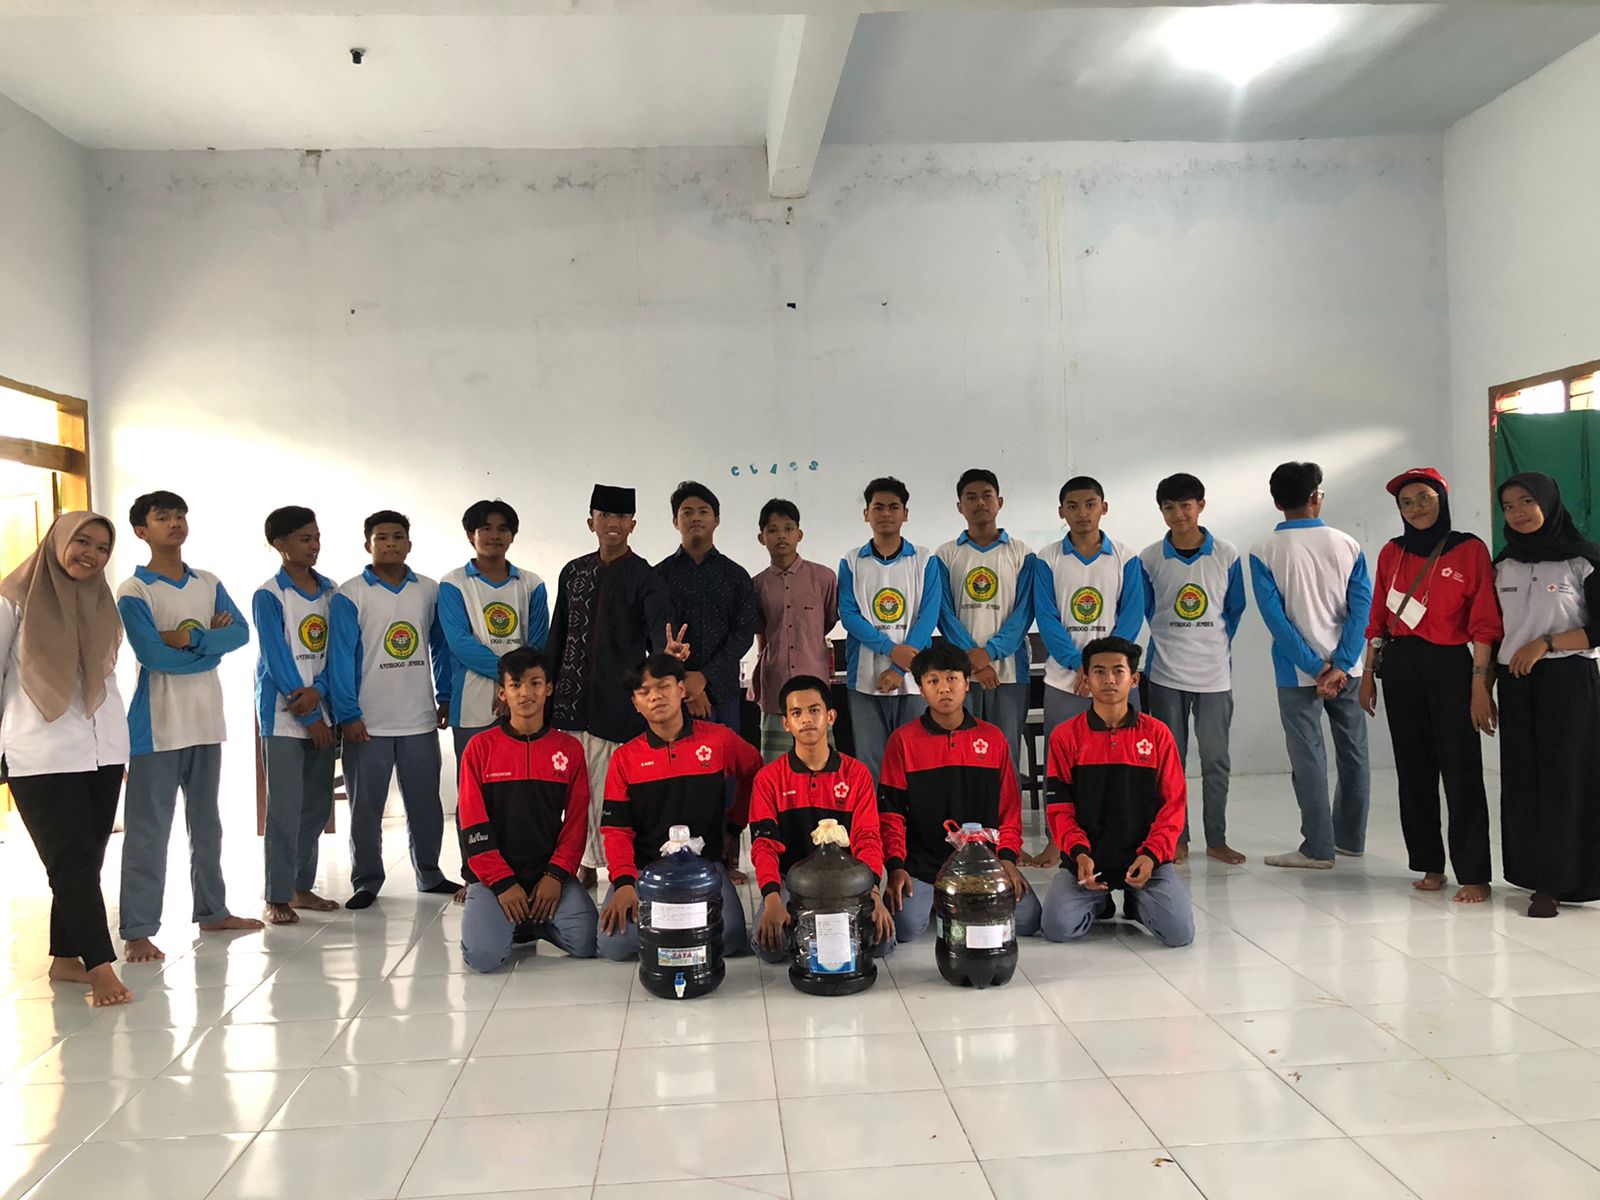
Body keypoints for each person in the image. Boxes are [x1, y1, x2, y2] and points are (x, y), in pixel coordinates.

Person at [115, 490, 260, 961]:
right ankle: (138, 929)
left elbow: (239, 633)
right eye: (163, 518)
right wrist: (208, 645)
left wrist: (189, 639)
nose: (175, 523)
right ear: (142, 530)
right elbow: (151, 655)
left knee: (208, 825)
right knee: (148, 832)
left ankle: (213, 911)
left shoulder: (208, 581)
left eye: (180, 516)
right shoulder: (134, 591)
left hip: (205, 721)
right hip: (155, 728)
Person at [0, 513, 133, 1006]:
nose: (91, 555)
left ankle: (65, 957)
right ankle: (101, 968)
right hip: (40, 749)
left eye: (102, 548)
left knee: (87, 860)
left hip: (103, 747)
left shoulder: (99, 600)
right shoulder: (12, 600)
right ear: (57, 541)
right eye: (82, 541)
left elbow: (105, 676)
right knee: (70, 862)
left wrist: (118, 747)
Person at [1359, 468, 1500, 903]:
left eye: (1424, 497)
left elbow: (1484, 622)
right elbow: (1378, 618)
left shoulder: (1468, 549)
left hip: (1450, 666)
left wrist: (1480, 684)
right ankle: (1429, 864)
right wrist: (1367, 675)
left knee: (1461, 770)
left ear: (1441, 498)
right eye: (1407, 502)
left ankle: (1474, 873)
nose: (1416, 508)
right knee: (1413, 769)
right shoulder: (1392, 551)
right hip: (1401, 664)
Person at [329, 510, 461, 911]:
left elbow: (441, 647)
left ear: (409, 544)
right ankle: (367, 880)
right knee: (365, 808)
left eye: (397, 536)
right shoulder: (350, 594)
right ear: (367, 544)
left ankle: (430, 873)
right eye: (382, 537)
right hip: (368, 721)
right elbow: (340, 658)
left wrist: (445, 695)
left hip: (418, 717)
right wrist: (348, 714)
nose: (390, 543)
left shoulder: (429, 590)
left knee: (426, 804)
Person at [596, 654, 763, 961]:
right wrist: (623, 882)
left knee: (730, 937)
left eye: (663, 686)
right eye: (644, 692)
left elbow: (756, 773)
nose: (655, 696)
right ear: (635, 703)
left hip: (705, 867)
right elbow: (616, 830)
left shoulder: (718, 740)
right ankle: (677, 931)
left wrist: (734, 826)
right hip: (645, 871)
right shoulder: (625, 759)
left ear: (681, 690)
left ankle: (672, 933)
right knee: (614, 946)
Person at [549, 484, 676, 889]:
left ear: (632, 525)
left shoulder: (645, 577)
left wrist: (668, 654)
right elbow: (557, 634)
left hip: (617, 705)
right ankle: (581, 862)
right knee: (574, 792)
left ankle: (617, 864)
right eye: (604, 516)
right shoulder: (573, 572)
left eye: (621, 517)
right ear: (591, 523)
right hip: (570, 703)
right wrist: (547, 687)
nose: (613, 524)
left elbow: (659, 636)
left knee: (611, 792)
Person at [1249, 462, 1373, 870]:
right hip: (1347, 670)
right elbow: (1361, 609)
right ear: (1316, 497)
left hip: (1295, 671)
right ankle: (1350, 840)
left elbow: (1275, 618)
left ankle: (1318, 848)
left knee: (1308, 758)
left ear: (1276, 501)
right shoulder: (1348, 544)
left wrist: (1314, 665)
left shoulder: (1263, 550)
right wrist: (1341, 663)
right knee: (1353, 753)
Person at [878, 643, 1041, 943]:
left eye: (952, 678)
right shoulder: (903, 741)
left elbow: (1009, 810)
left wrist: (1007, 859)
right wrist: (896, 866)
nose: (944, 688)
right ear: (921, 689)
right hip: (924, 865)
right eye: (933, 681)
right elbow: (891, 814)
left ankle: (954, 901)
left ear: (967, 683)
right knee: (905, 926)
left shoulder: (993, 739)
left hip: (985, 863)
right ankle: (948, 900)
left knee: (1029, 919)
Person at [1492, 472, 1600, 918]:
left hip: (1568, 680)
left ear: (1548, 503)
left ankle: (1558, 883)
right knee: (1523, 779)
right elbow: (1492, 629)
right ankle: (1532, 873)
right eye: (1508, 506)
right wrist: (1483, 685)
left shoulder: (1583, 560)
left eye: (1526, 502)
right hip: (1516, 682)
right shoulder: (1504, 563)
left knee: (1564, 778)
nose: (1518, 513)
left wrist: (1547, 643)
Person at [1040, 636, 1194, 948]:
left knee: (1179, 934)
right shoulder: (1065, 736)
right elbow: (1059, 807)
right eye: (1099, 671)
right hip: (1087, 860)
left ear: (1134, 680)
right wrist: (1079, 853)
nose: (1109, 679)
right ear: (1086, 679)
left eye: (1118, 671)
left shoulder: (1158, 735)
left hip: (1145, 858)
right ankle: (1099, 903)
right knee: (1056, 927)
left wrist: (1152, 855)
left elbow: (1173, 806)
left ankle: (1137, 901)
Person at [1029, 476, 1146, 866]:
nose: (1082, 513)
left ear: (1104, 507)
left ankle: (1125, 837)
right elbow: (1046, 617)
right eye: (1073, 506)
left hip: (1116, 683)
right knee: (1062, 765)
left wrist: (1102, 669)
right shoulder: (1046, 559)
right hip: (1065, 682)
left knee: (1124, 763)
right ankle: (1057, 840)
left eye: (1090, 504)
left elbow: (1131, 616)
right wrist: (1080, 665)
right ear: (1061, 511)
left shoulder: (1126, 557)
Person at [458, 648, 597, 970]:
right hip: (494, 878)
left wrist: (555, 876)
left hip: (547, 872)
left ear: (548, 688)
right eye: (516, 685)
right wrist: (503, 883)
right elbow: (472, 824)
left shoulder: (569, 749)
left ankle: (533, 923)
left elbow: (576, 822)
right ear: (502, 693)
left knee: (587, 941)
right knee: (483, 958)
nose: (526, 693)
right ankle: (506, 920)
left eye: (534, 683)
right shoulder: (480, 748)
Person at [1138, 473, 1248, 865]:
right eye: (1169, 507)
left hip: (1214, 675)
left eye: (1186, 505)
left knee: (1216, 760)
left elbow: (1234, 609)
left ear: (1201, 506)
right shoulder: (1149, 558)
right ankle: (1176, 837)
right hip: (1165, 674)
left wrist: (1210, 643)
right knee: (1170, 763)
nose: (1178, 514)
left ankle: (1216, 838)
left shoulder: (1227, 554)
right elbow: (1147, 609)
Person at [655, 481, 760, 881]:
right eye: (687, 512)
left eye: (702, 511)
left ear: (716, 519)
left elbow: (743, 633)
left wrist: (704, 680)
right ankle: (679, 856)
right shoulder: (659, 576)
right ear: (675, 522)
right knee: (681, 777)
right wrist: (686, 684)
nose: (695, 518)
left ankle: (725, 856)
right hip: (674, 696)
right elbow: (657, 636)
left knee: (725, 775)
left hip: (722, 692)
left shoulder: (735, 576)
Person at [749, 674, 893, 962]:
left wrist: (873, 892)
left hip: (849, 881)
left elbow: (867, 838)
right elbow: (764, 846)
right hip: (792, 881)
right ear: (785, 723)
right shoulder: (768, 778)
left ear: (830, 717)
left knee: (879, 942)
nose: (806, 719)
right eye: (796, 713)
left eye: (814, 710)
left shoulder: (857, 774)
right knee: (770, 946)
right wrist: (772, 898)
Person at [253, 506, 340, 923]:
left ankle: (302, 887)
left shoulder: (331, 591)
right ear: (280, 544)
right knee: (284, 808)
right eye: (305, 538)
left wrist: (321, 692)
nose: (314, 545)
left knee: (316, 807)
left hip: (323, 710)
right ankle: (277, 894)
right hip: (284, 717)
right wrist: (309, 717)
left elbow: (338, 652)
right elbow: (277, 658)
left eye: (316, 537)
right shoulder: (270, 595)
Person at [838, 477, 942, 780]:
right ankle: (875, 813)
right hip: (864, 679)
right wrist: (891, 650)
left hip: (914, 680)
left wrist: (899, 668)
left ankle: (913, 813)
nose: (886, 513)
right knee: (871, 762)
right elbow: (849, 615)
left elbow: (928, 617)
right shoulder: (851, 561)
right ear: (866, 514)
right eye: (878, 507)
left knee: (915, 761)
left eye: (893, 507)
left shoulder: (924, 560)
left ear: (905, 514)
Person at [935, 468, 1037, 771]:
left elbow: (1024, 612)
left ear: (999, 502)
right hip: (960, 673)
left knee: (1005, 752)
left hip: (1009, 671)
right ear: (960, 506)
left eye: (986, 496)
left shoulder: (1021, 552)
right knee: (962, 752)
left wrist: (990, 652)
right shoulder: (945, 555)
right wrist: (975, 661)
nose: (980, 502)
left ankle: (1008, 806)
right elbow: (944, 613)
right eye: (971, 497)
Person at [439, 498, 549, 763]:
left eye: (503, 529)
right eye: (486, 528)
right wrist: (511, 679)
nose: (495, 535)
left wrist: (514, 689)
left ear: (512, 536)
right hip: (472, 704)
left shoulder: (532, 583)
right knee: (474, 780)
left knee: (524, 777)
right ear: (470, 535)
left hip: (523, 701)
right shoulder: (453, 583)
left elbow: (537, 642)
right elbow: (460, 644)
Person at [750, 499, 839, 762]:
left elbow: (828, 620)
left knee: (820, 761)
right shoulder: (756, 585)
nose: (781, 536)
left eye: (788, 529)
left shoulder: (824, 578)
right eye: (773, 530)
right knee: (775, 764)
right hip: (774, 682)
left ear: (799, 534)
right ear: (761, 538)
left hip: (814, 681)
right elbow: (761, 630)